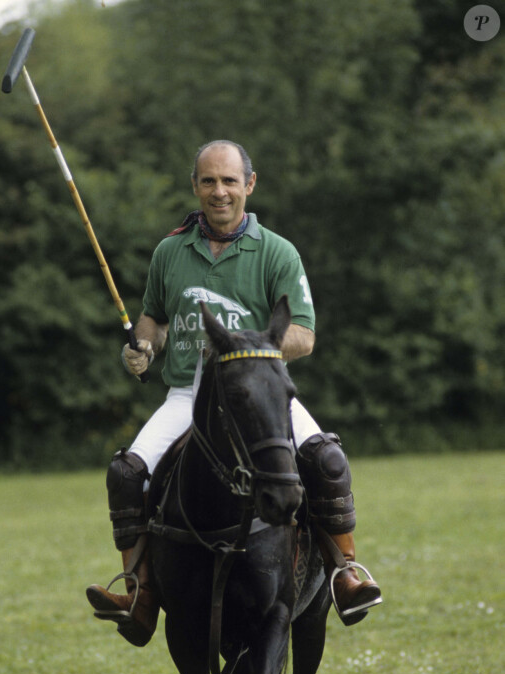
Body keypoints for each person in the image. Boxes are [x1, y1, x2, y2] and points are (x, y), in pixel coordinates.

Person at [86, 140, 381, 645]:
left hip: (259, 392)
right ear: (195, 187)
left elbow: (304, 336)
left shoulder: (277, 251)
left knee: (327, 460)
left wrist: (249, 350)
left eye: (228, 181)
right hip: (187, 393)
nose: (218, 192)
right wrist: (141, 346)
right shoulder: (169, 251)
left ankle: (344, 572)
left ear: (249, 184)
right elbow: (153, 317)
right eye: (208, 181)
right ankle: (139, 590)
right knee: (125, 472)